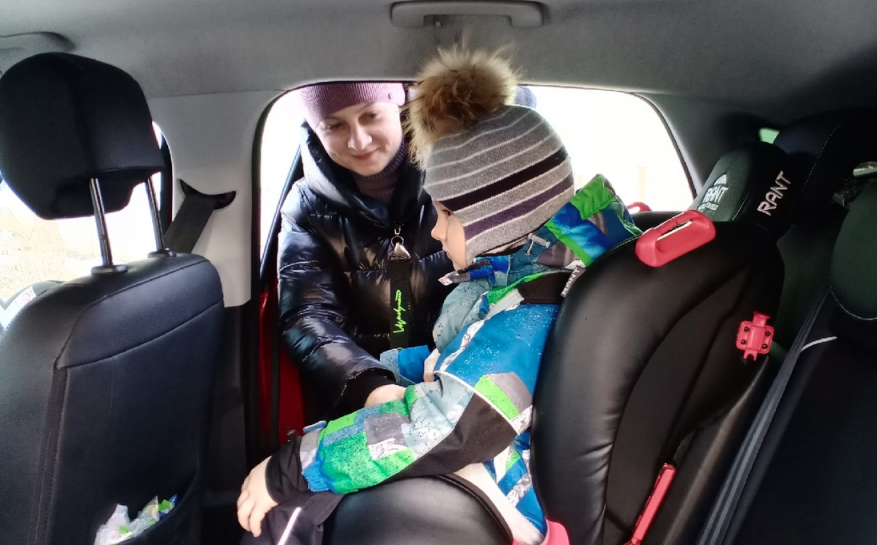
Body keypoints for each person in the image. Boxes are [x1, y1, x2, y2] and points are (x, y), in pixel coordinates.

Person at [239, 46, 640, 544]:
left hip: (511, 482)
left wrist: (292, 469)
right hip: (488, 439)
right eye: (334, 125)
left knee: (295, 505)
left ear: (497, 221)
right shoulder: (525, 280)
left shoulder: (530, 310)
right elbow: (460, 364)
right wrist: (386, 374)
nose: (437, 230)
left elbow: (450, 423)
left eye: (447, 215)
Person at [277, 82, 453, 422]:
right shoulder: (305, 207)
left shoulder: (458, 173)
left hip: (458, 379)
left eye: (370, 115)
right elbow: (307, 315)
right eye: (334, 126)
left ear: (399, 107)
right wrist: (369, 386)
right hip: (365, 399)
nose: (358, 141)